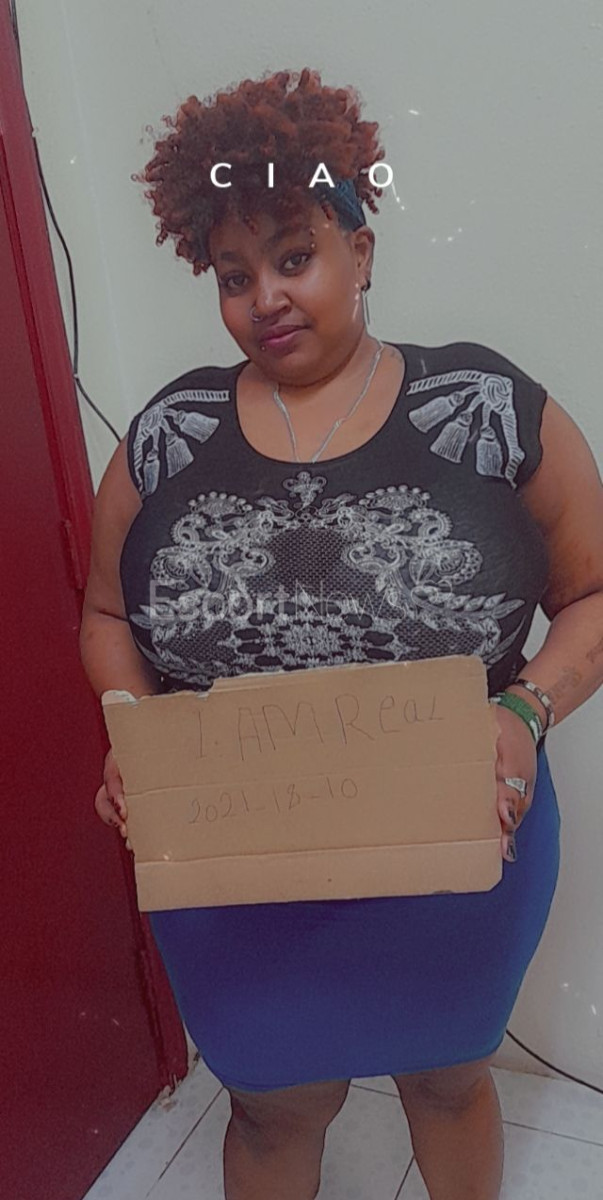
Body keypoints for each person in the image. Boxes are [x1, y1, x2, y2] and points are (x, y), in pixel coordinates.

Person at [80, 68, 603, 1200]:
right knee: (272, 1105)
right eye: (234, 276)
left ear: (361, 251)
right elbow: (108, 615)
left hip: (457, 840)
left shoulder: (487, 410)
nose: (265, 297)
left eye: (295, 257)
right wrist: (133, 733)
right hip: (232, 856)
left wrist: (525, 711)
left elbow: (593, 594)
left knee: (448, 1080)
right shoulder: (168, 436)